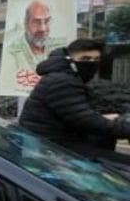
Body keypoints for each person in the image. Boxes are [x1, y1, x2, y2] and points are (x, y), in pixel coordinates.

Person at [19, 38, 130, 166]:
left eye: (96, 60)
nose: (92, 64)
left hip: (56, 140)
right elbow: (87, 121)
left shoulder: (64, 77)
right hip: (52, 148)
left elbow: (77, 113)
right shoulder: (62, 81)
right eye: (85, 59)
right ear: (70, 61)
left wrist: (104, 118)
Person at [5, 0, 64, 75]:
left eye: (47, 21)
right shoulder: (11, 54)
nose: (43, 29)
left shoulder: (61, 48)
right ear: (26, 24)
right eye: (36, 22)